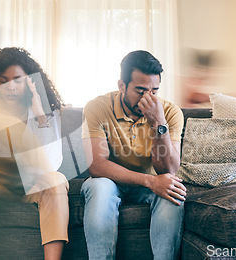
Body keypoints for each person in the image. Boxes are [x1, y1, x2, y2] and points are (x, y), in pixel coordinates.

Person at [0, 47, 69, 260]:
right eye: (3, 81)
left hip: (32, 185)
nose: (11, 87)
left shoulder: (47, 110)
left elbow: (50, 165)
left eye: (18, 81)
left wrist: (40, 117)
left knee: (55, 180)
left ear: (30, 83)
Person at [81, 50, 187, 260]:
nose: (148, 98)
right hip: (112, 181)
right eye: (140, 91)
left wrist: (159, 123)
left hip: (153, 181)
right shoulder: (97, 107)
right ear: (122, 86)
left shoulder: (170, 113)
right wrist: (148, 181)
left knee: (172, 189)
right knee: (98, 186)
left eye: (154, 91)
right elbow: (97, 165)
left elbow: (168, 170)